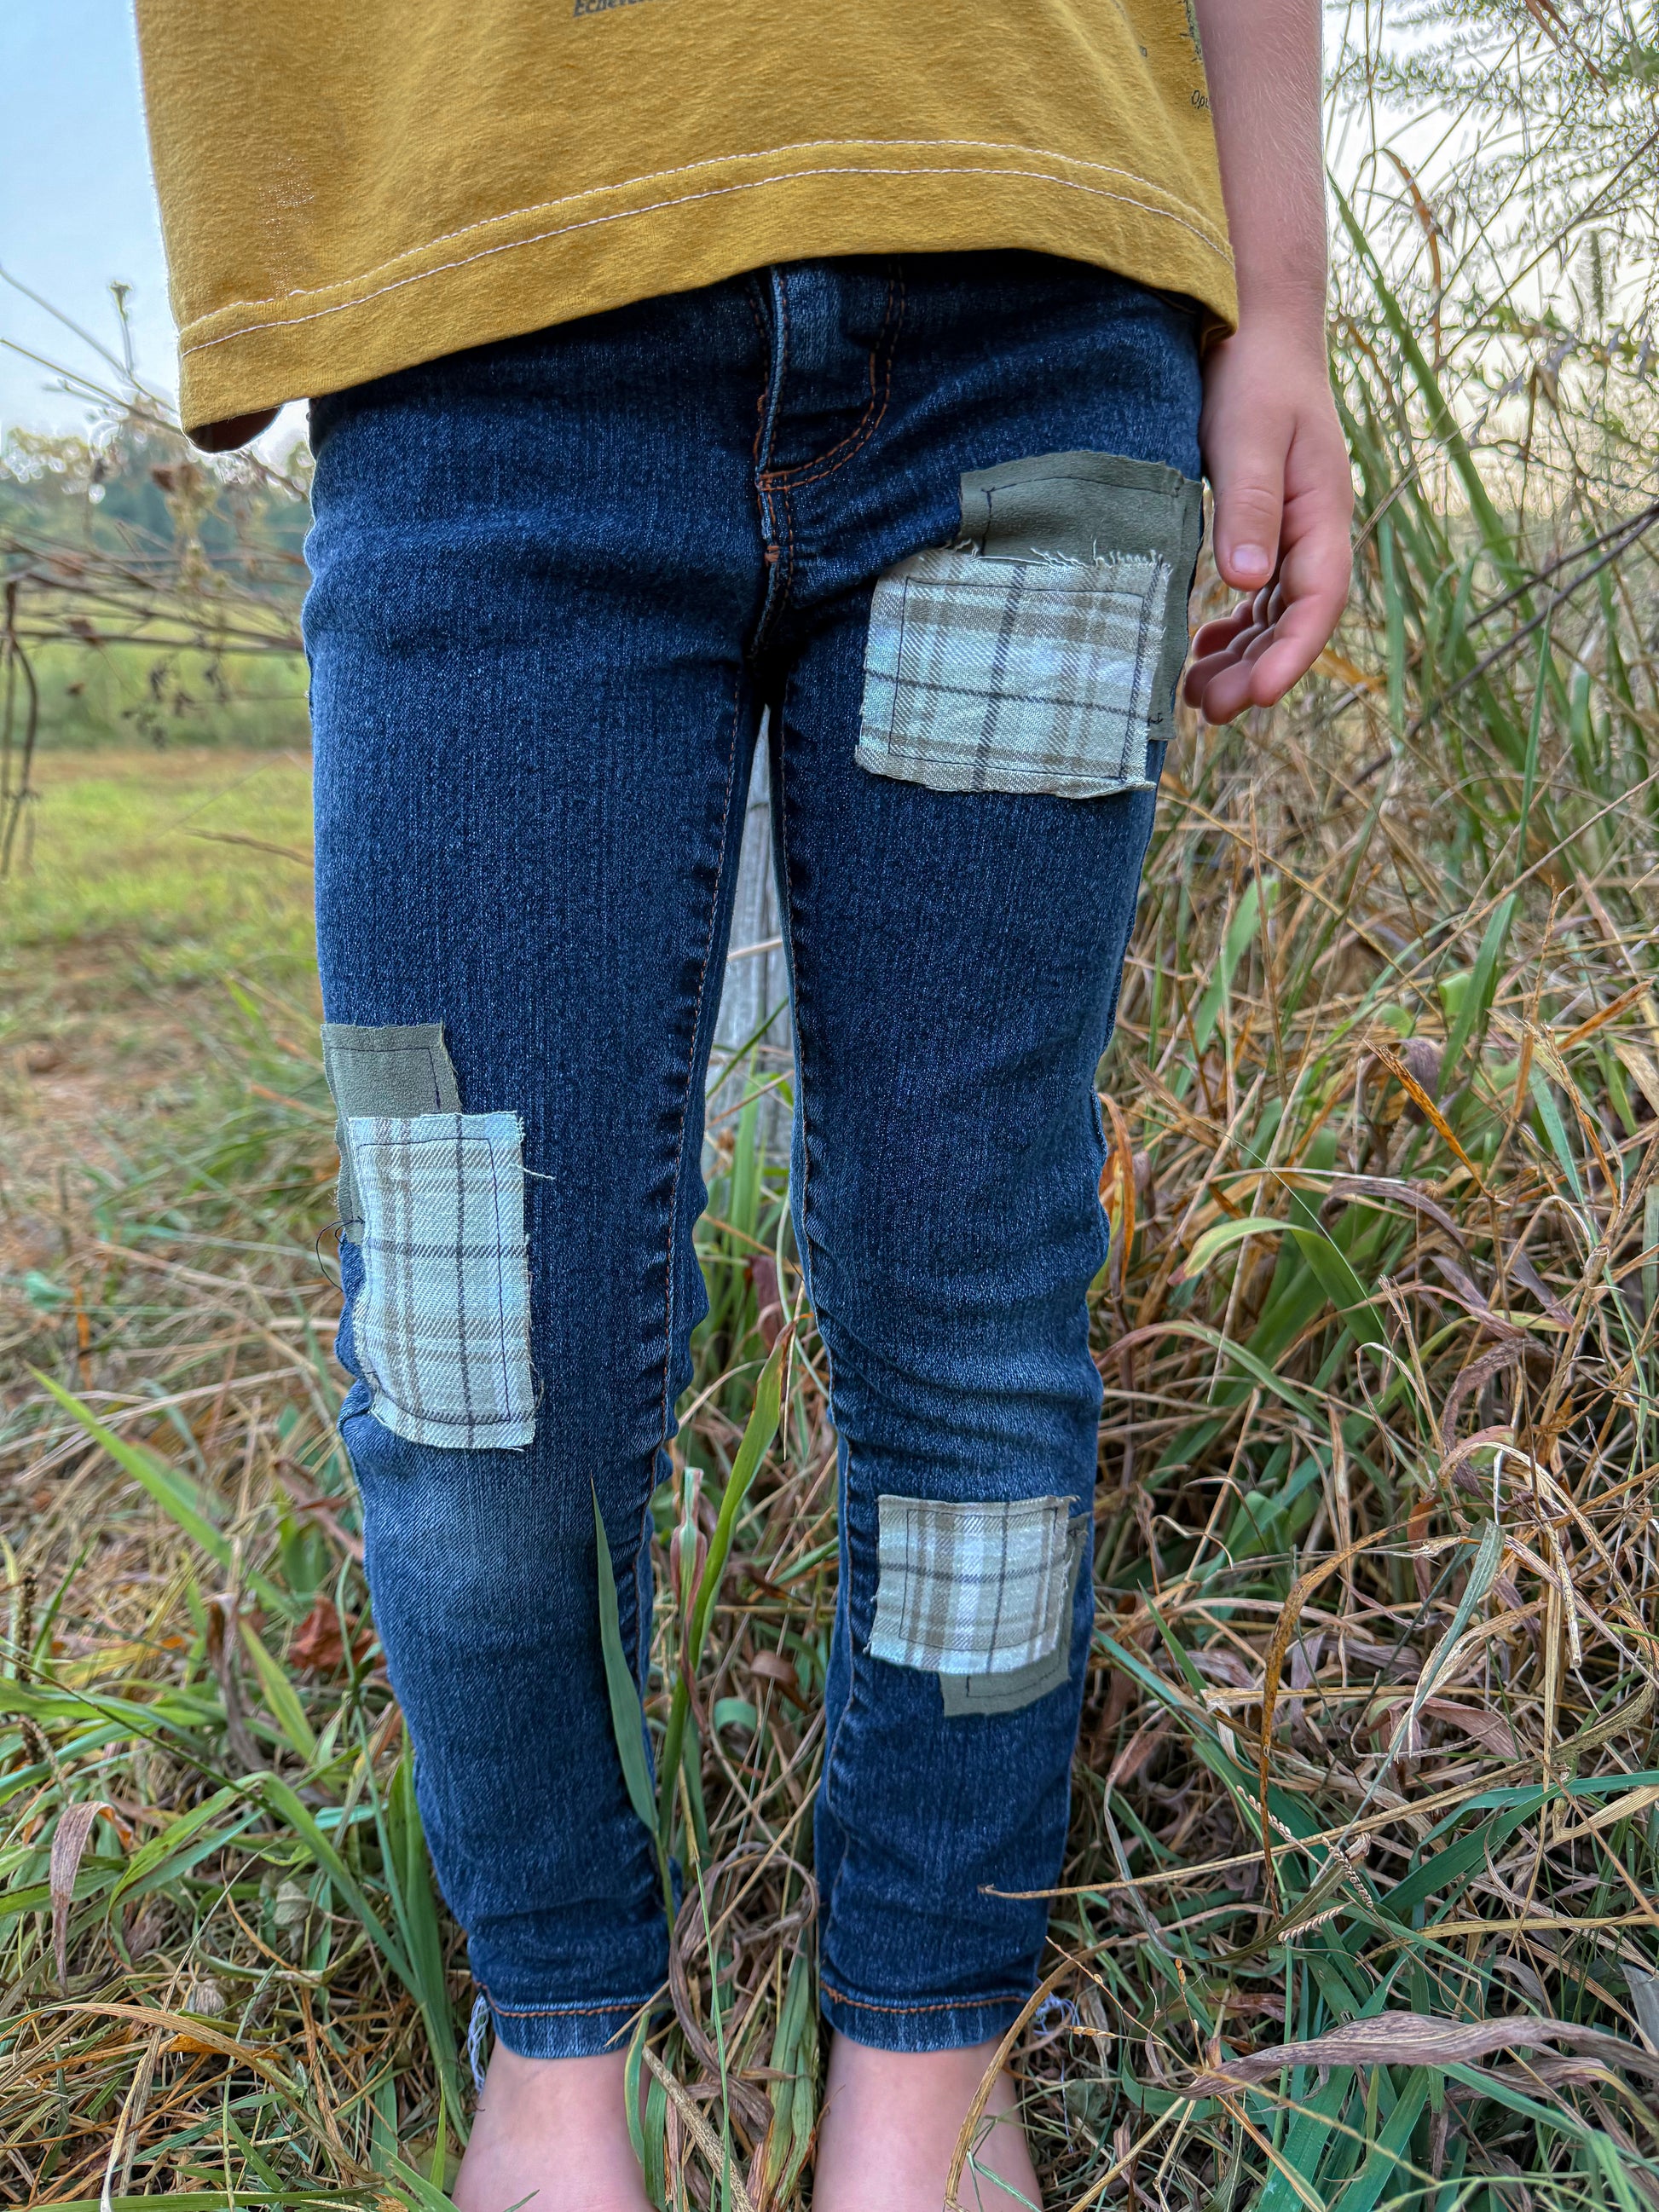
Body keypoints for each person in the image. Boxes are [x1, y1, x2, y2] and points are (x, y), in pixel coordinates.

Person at [136, 2, 1352, 2203]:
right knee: (475, 1353)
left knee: (971, 1294)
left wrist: (1281, 296)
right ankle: (554, 2048)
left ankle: (929, 2053)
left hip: (1037, 286)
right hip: (472, 314)